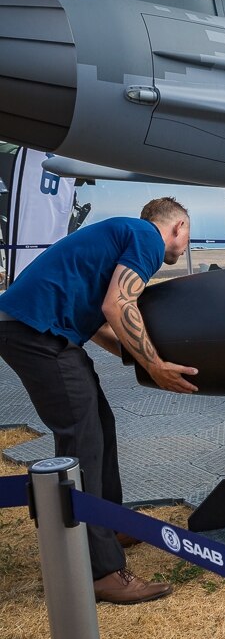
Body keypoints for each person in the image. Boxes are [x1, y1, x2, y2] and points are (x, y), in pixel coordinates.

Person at [0, 198, 198, 604]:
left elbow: (98, 323)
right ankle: (100, 570)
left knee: (100, 425)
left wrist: (140, 360)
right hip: (34, 332)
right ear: (178, 226)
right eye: (188, 236)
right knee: (82, 440)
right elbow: (118, 305)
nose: (185, 247)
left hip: (43, 331)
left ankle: (108, 525)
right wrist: (155, 365)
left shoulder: (123, 235)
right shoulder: (147, 238)